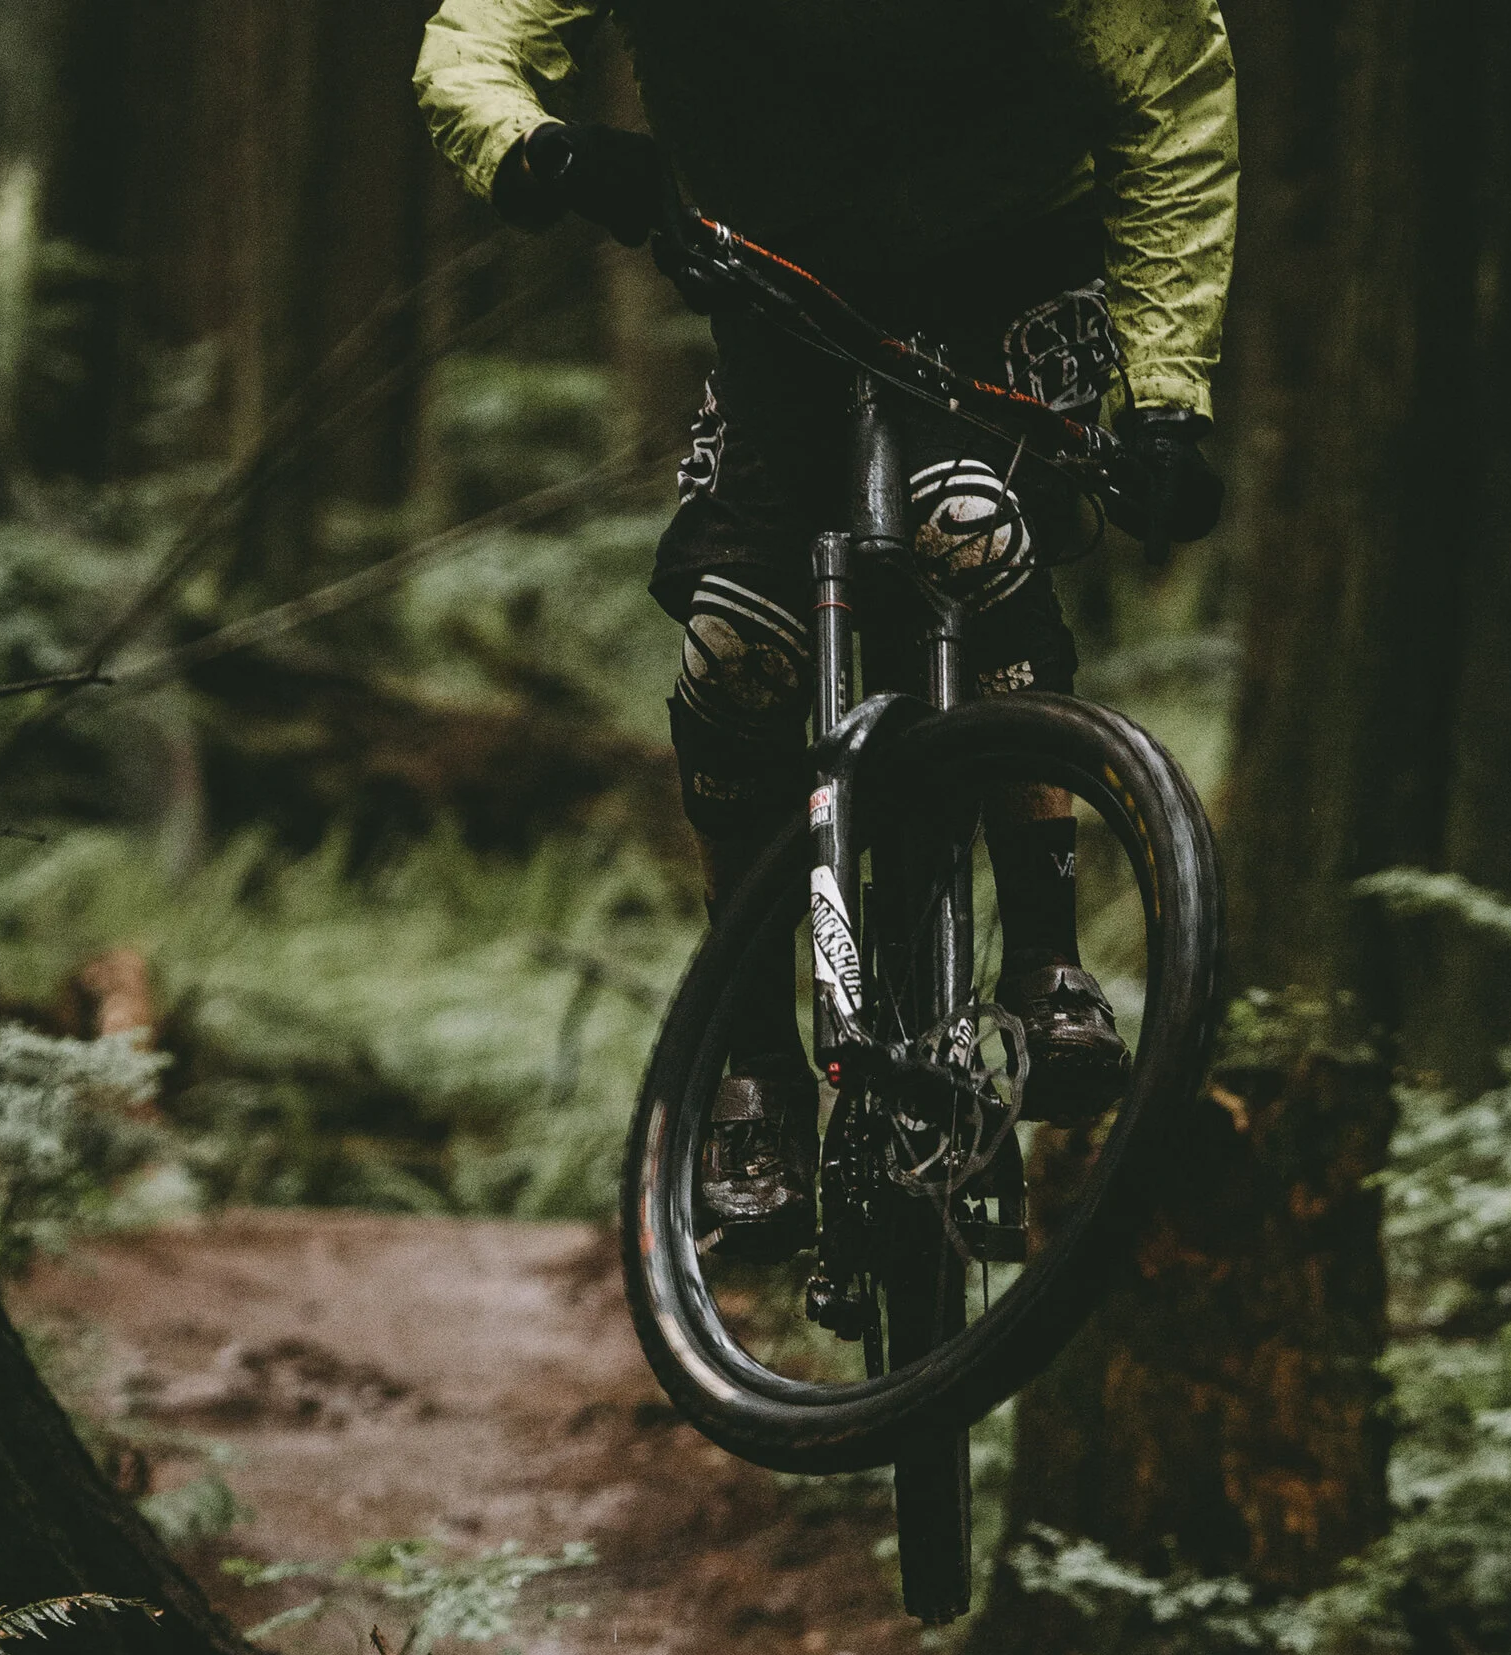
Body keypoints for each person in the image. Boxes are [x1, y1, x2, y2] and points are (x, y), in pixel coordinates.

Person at [416, 1, 1235, 1243]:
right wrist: (539, 150)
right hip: (778, 278)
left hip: (1009, 262)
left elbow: (1170, 95)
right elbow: (476, 37)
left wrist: (1167, 395)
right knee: (736, 646)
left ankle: (1048, 968)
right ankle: (756, 1071)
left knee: (970, 525)